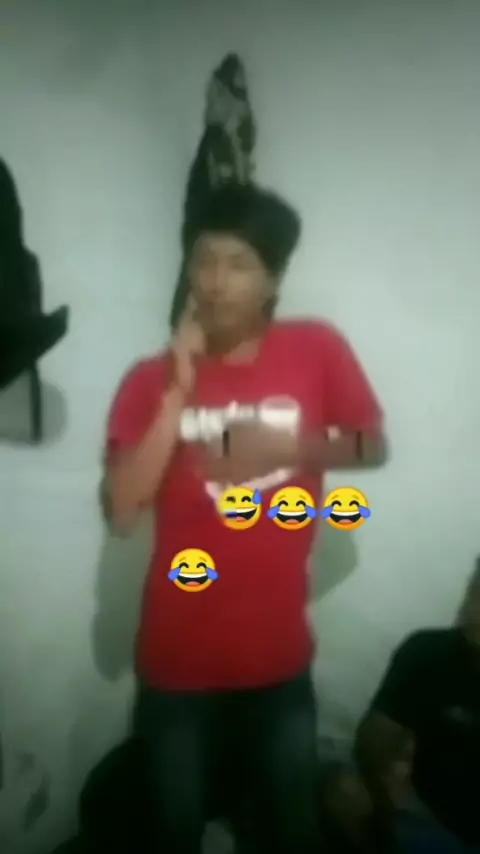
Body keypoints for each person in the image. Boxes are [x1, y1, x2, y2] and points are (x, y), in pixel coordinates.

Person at [103, 182, 384, 854]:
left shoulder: (316, 348)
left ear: (273, 280)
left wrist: (284, 449)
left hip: (279, 661)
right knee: (175, 831)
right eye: (203, 259)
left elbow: (372, 445)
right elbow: (122, 512)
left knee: (292, 830)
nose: (215, 280)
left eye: (238, 264)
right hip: (177, 662)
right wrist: (178, 392)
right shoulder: (147, 380)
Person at [354, 562, 480, 852]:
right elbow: (374, 740)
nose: (472, 604)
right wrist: (388, 783)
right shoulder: (427, 650)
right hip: (420, 816)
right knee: (343, 791)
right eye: (474, 587)